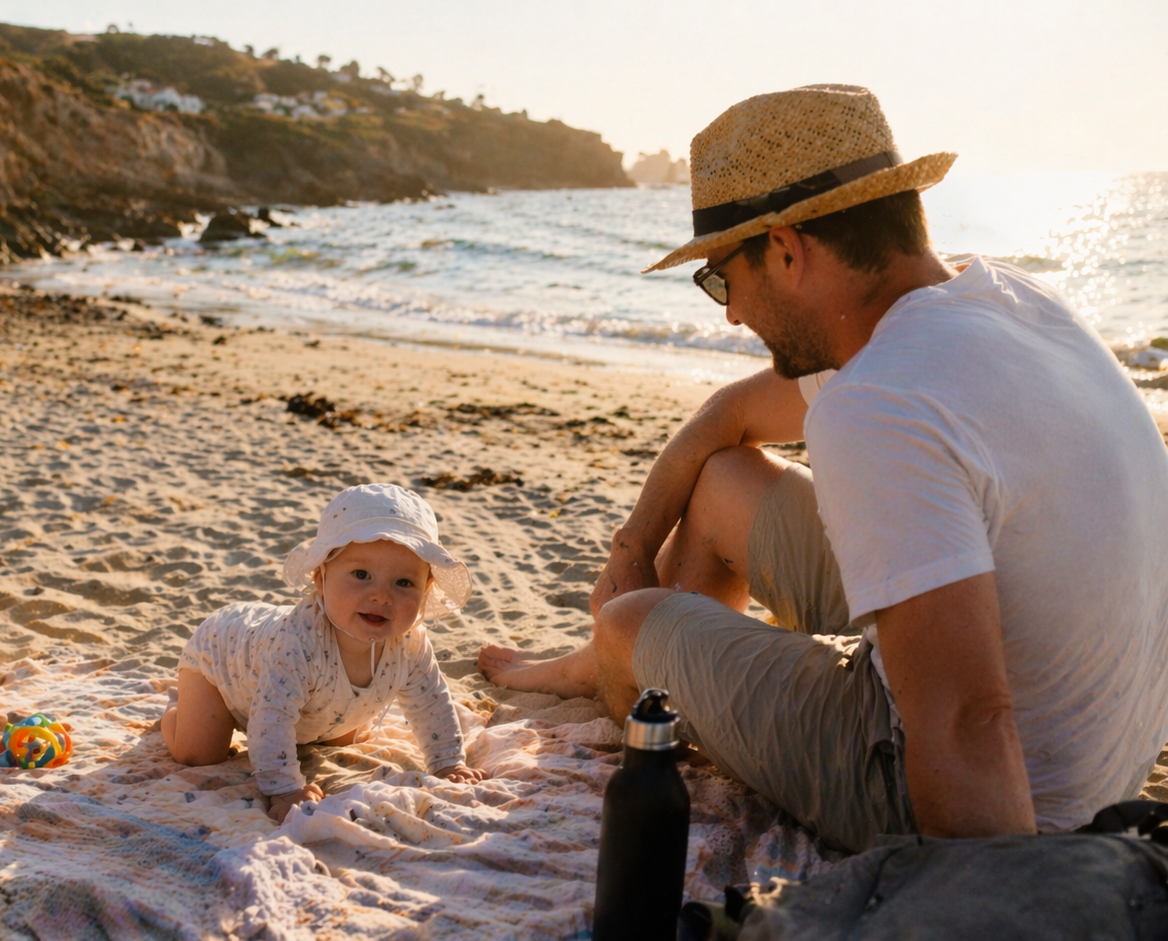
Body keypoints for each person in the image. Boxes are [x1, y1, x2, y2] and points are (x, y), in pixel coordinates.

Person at [480, 84, 1168, 852]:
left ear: (785, 249)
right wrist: (632, 544)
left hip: (982, 794)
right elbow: (725, 421)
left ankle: (619, 656)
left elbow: (969, 724)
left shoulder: (877, 403)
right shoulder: (1011, 302)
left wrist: (995, 898)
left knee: (625, 620)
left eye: (719, 279)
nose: (731, 313)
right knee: (725, 482)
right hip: (1096, 748)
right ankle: (632, 657)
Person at [164, 484, 487, 823]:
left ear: (426, 590)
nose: (381, 595)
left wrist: (448, 761)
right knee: (198, 753)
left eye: (404, 583)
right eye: (361, 575)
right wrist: (285, 788)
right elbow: (271, 715)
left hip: (304, 702)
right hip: (221, 660)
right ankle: (180, 708)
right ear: (321, 579)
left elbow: (431, 702)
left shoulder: (410, 642)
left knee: (341, 735)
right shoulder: (300, 643)